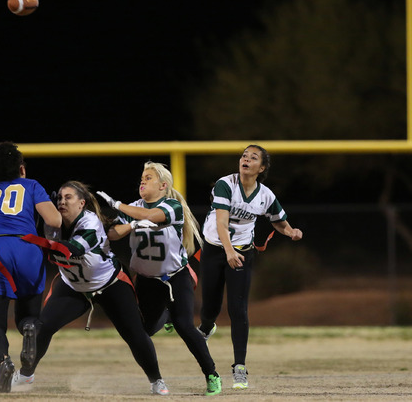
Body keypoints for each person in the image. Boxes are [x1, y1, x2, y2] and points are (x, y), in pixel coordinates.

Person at [12, 180, 169, 396]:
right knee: (43, 327)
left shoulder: (90, 221)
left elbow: (73, 250)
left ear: (82, 203)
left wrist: (36, 242)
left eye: (68, 198)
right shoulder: (52, 223)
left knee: (135, 334)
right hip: (73, 286)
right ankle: (26, 374)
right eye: (59, 198)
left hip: (109, 284)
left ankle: (156, 380)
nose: (61, 202)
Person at [98, 161, 222, 396]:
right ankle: (166, 318)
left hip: (175, 277)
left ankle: (212, 374)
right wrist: (131, 224)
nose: (142, 181)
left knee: (185, 325)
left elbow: (150, 215)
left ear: (163, 185)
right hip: (146, 280)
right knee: (143, 331)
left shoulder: (172, 206)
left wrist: (118, 205)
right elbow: (112, 233)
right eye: (142, 177)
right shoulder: (134, 208)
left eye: (149, 177)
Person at [198, 144, 303, 390]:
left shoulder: (266, 195)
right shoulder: (225, 184)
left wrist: (291, 231)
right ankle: (206, 326)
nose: (245, 159)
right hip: (215, 249)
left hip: (242, 253)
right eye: (244, 155)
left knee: (238, 309)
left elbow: (279, 221)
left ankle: (240, 368)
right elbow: (222, 224)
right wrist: (228, 251)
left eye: (253, 157)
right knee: (210, 306)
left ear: (262, 167)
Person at [0, 141, 62, 393]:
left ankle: (4, 362)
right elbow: (54, 220)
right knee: (28, 316)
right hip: (25, 249)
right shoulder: (31, 185)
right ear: (22, 169)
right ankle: (29, 328)